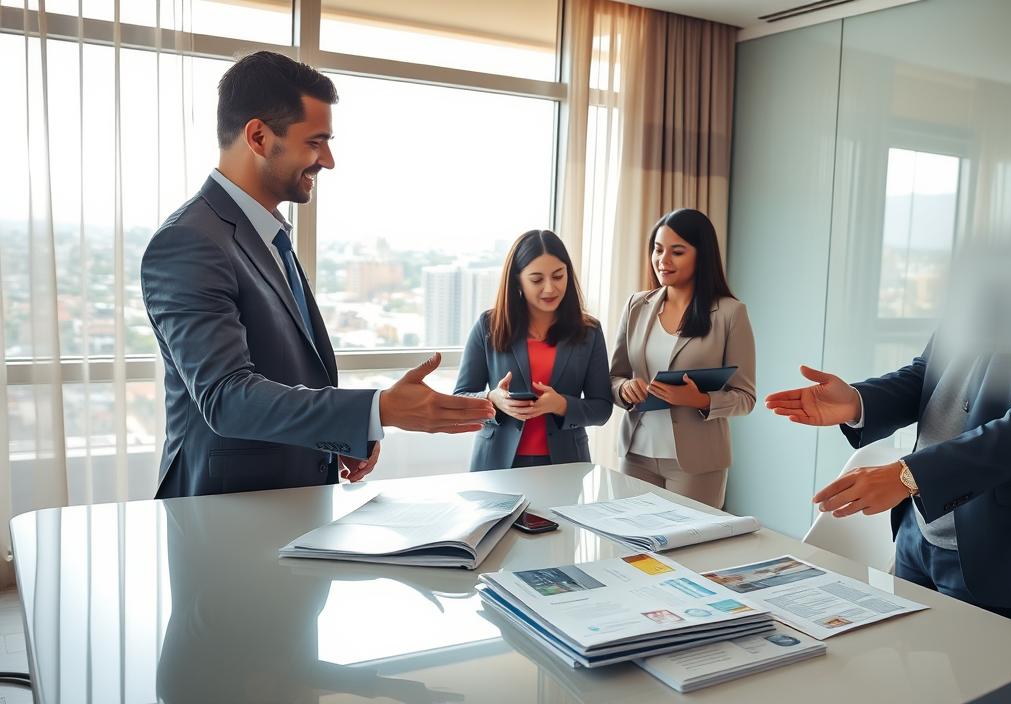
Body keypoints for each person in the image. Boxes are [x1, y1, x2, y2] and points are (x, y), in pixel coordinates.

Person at [141, 51, 493, 498]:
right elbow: (226, 397)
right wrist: (378, 409)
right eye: (316, 142)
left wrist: (343, 434)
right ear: (258, 136)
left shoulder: (266, 234)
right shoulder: (190, 241)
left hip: (288, 503)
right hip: (224, 512)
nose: (328, 160)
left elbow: (289, 374)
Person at [765, 251, 1011, 632]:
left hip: (1006, 550)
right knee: (905, 665)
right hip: (918, 534)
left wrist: (906, 477)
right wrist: (857, 402)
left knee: (984, 673)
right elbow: (925, 374)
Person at [609, 208, 756, 509]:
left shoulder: (730, 313)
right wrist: (624, 389)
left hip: (696, 463)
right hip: (636, 454)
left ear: (701, 256)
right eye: (658, 249)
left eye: (677, 252)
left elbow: (745, 397)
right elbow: (614, 377)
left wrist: (700, 400)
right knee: (631, 536)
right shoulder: (636, 306)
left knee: (688, 540)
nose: (663, 260)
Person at [454, 230, 612, 470]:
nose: (550, 288)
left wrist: (561, 405)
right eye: (537, 280)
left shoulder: (589, 331)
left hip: (565, 465)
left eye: (558, 276)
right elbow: (460, 397)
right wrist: (492, 399)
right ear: (517, 280)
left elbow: (602, 409)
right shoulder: (489, 326)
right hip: (496, 464)